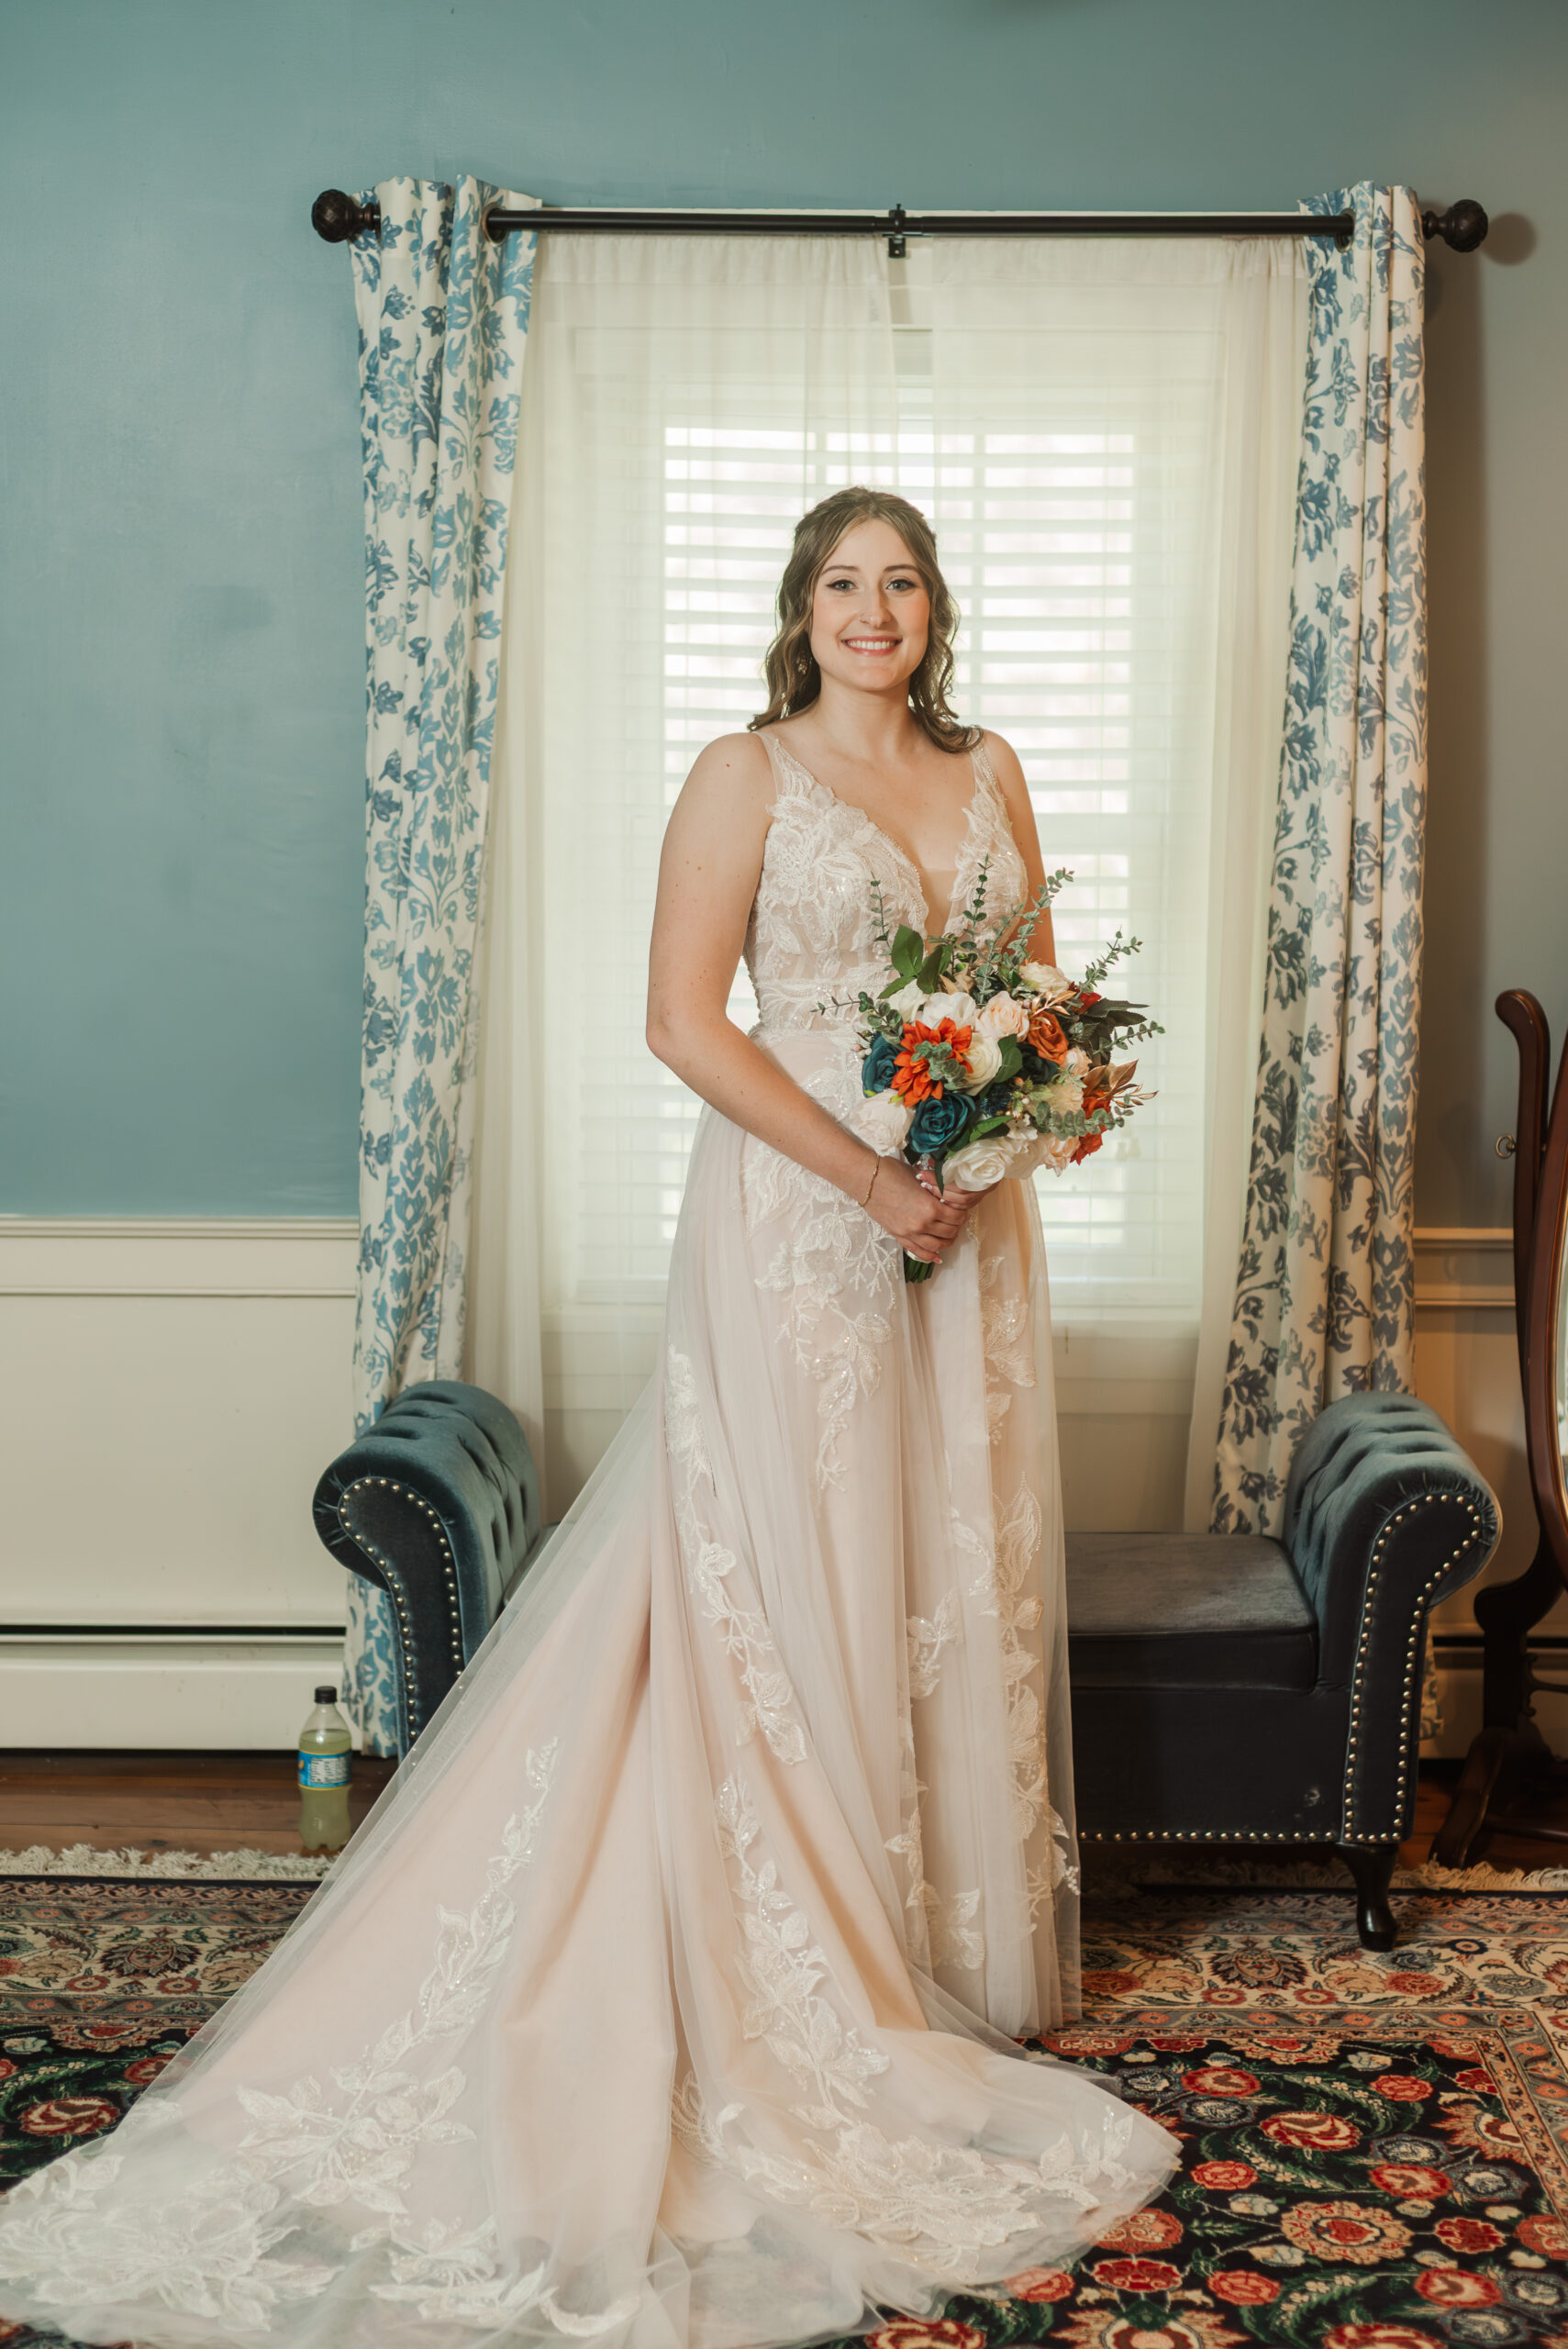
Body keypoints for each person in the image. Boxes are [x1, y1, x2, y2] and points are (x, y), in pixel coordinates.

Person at [0, 486, 1173, 2347]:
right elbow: (683, 1023)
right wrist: (874, 1181)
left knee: (944, 1557)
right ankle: (787, 1958)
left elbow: (1033, 997)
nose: (876, 611)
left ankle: (926, 1943)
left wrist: (1025, 1112)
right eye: (842, 585)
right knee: (795, 1565)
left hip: (970, 1227)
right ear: (800, 613)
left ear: (938, 609)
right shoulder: (743, 773)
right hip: (805, 1223)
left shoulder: (995, 766)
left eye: (904, 581)